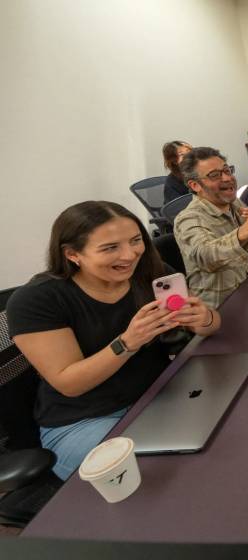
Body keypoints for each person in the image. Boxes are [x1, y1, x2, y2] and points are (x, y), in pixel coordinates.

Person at [7, 201, 221, 480]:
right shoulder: (37, 300)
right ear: (73, 254)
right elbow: (69, 383)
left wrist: (203, 318)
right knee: (165, 477)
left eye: (135, 241)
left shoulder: (151, 273)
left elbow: (213, 324)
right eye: (110, 248)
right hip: (83, 421)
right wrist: (127, 342)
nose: (130, 254)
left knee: (222, 439)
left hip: (156, 398)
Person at [174, 147, 248, 307]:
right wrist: (245, 231)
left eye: (227, 170)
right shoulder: (188, 219)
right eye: (215, 175)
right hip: (219, 308)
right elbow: (205, 257)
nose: (227, 178)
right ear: (195, 185)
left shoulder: (234, 204)